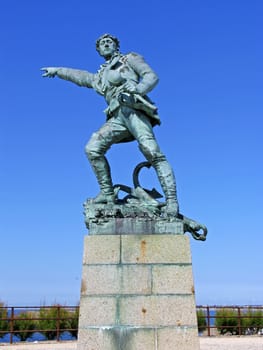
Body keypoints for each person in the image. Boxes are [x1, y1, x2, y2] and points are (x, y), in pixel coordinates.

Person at [41, 34, 179, 216]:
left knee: (152, 152)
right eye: (102, 44)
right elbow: (81, 76)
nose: (106, 44)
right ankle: (107, 193)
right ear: (98, 50)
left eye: (109, 42)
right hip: (117, 118)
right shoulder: (100, 76)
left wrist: (139, 88)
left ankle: (172, 202)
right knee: (92, 149)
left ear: (116, 46)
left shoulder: (129, 59)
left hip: (133, 110)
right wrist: (57, 70)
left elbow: (151, 76)